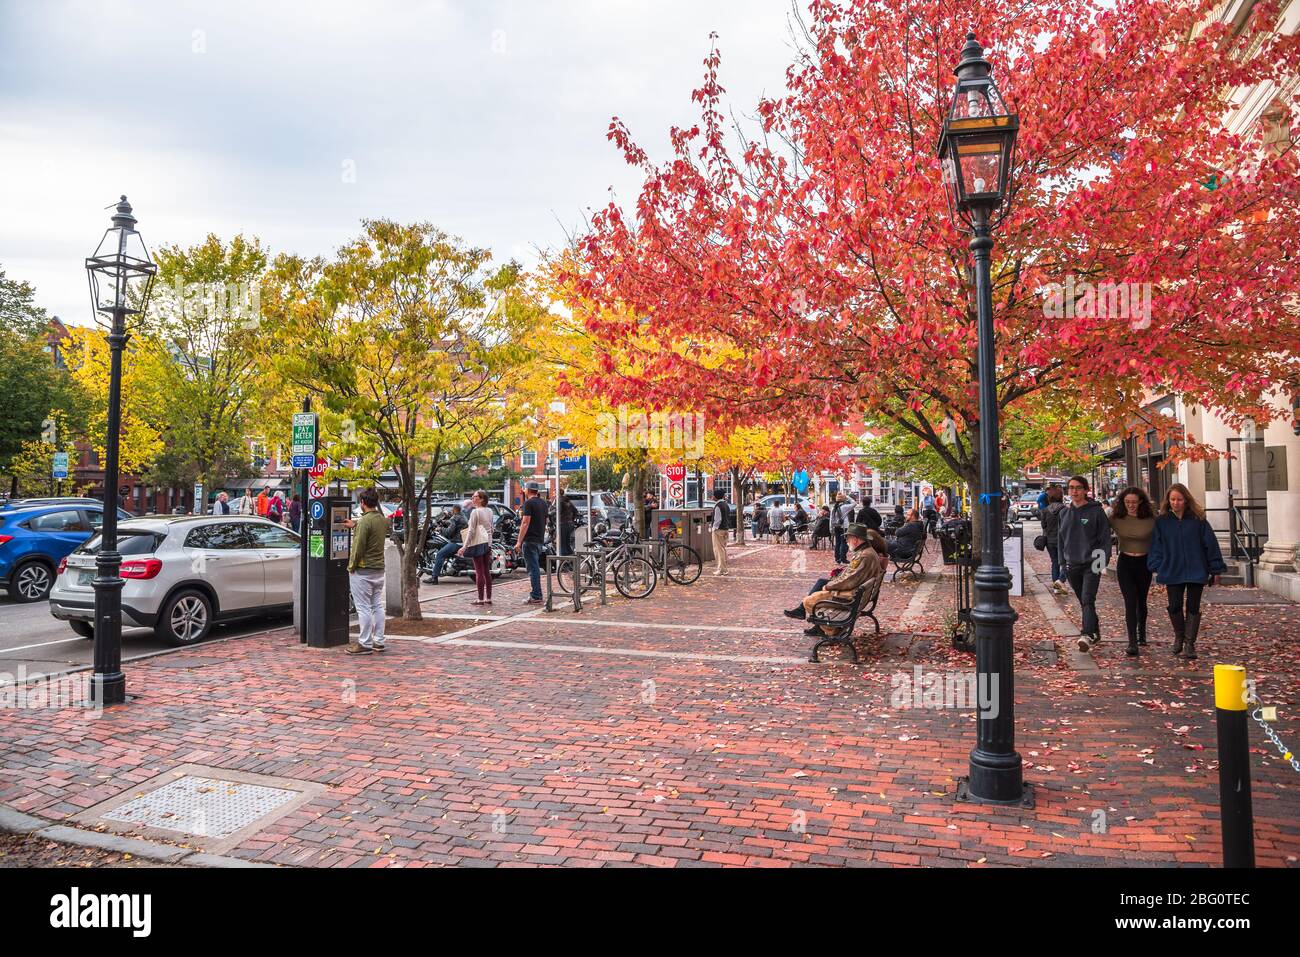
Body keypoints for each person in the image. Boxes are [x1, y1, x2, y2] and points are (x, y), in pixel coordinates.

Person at [1148, 483, 1226, 660]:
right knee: (1174, 605)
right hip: (1172, 569)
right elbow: (1156, 546)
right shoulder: (1162, 522)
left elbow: (1210, 545)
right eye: (1173, 499)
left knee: (1193, 606)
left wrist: (1215, 568)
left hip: (1196, 569)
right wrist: (1157, 565)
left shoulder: (1198, 520)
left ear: (1186, 500)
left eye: (1179, 499)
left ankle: (1189, 644)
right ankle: (1179, 637)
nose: (1176, 503)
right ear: (1168, 500)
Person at [782, 523, 882, 636]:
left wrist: (830, 586)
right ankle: (820, 626)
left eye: (848, 538)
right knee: (821, 584)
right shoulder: (866, 552)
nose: (847, 540)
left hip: (849, 597)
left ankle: (831, 632)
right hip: (857, 593)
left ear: (856, 539)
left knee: (808, 602)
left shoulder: (864, 555)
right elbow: (852, 575)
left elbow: (850, 580)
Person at [1058, 475, 1112, 653]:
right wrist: (1062, 563)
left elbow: (1104, 539)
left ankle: (1087, 634)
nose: (1074, 491)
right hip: (1072, 564)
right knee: (1084, 601)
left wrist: (1101, 561)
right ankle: (1095, 632)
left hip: (1092, 563)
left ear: (1086, 490)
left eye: (1078, 488)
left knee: (1088, 598)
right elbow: (1061, 540)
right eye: (1071, 488)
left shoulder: (1096, 512)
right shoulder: (1064, 513)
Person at [1111, 485, 1156, 657]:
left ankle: (1141, 633)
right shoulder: (1116, 518)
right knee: (1130, 601)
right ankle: (1132, 642)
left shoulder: (1151, 518)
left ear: (1141, 502)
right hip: (1125, 562)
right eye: (1127, 502)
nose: (1131, 505)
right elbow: (1098, 530)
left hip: (1144, 563)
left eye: (1134, 502)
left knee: (1141, 600)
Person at [344, 488, 388, 655]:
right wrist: (355, 524)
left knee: (363, 608)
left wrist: (351, 566)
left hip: (363, 570)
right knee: (376, 606)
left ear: (362, 503)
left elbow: (358, 547)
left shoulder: (364, 522)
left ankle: (364, 643)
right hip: (378, 569)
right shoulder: (382, 520)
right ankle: (379, 640)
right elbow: (371, 528)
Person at [462, 489, 496, 606]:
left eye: (475, 496)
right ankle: (489, 598)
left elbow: (471, 531)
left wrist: (464, 547)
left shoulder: (475, 512)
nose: (473, 498)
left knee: (479, 571)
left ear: (481, 499)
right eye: (473, 496)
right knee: (486, 571)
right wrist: (490, 544)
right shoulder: (490, 511)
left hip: (478, 543)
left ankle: (480, 599)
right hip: (487, 543)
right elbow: (491, 528)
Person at [516, 483, 548, 605]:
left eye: (525, 488)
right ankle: (537, 594)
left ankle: (536, 595)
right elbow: (545, 521)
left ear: (528, 490)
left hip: (529, 539)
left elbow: (525, 522)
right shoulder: (543, 503)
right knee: (535, 567)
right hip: (539, 539)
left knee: (533, 569)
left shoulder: (528, 503)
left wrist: (519, 541)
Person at [423, 504, 466, 585]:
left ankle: (434, 577)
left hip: (457, 542)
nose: (451, 511)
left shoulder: (455, 518)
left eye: (452, 510)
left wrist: (440, 529)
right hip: (463, 541)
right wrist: (443, 521)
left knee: (440, 554)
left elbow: (448, 532)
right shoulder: (462, 516)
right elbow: (453, 524)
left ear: (455, 510)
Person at [1039, 485, 1068, 593]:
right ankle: (1061, 580)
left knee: (1055, 562)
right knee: (1066, 562)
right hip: (1063, 540)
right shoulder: (1065, 510)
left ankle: (1057, 586)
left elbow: (1043, 525)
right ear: (1061, 497)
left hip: (1050, 540)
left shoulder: (1045, 510)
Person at [710, 490, 733, 576]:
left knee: (718, 550)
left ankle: (721, 569)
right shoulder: (726, 505)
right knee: (722, 549)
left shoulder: (718, 506)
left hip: (718, 530)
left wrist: (714, 528)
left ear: (716, 496)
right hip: (725, 529)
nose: (712, 497)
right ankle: (723, 568)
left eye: (713, 496)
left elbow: (717, 519)